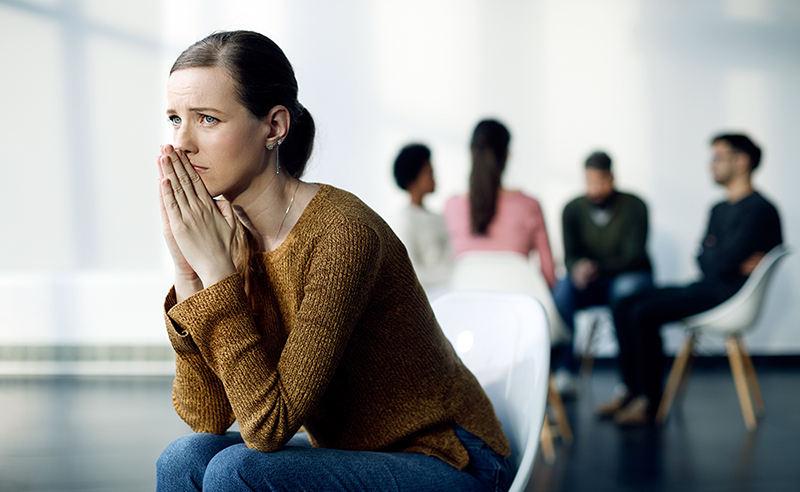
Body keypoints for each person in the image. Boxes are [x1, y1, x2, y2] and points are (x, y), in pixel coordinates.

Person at [154, 31, 512, 491]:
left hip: (452, 457)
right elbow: (208, 415)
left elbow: (268, 428)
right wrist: (189, 272)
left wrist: (217, 276)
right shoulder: (231, 236)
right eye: (174, 119)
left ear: (275, 127)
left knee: (235, 470)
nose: (181, 143)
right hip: (357, 452)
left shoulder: (343, 233)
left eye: (207, 119)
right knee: (184, 458)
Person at [598, 133, 783, 426]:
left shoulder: (761, 210)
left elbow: (717, 262)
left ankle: (648, 401)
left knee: (642, 311)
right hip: (709, 285)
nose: (711, 165)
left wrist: (716, 254)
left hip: (730, 296)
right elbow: (706, 259)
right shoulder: (718, 208)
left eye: (718, 158)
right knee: (624, 302)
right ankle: (630, 391)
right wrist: (721, 257)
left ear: (742, 161)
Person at [551, 151, 653, 395]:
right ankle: (564, 371)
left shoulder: (635, 206)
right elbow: (570, 255)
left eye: (600, 182)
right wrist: (577, 268)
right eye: (589, 182)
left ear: (612, 178)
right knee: (563, 289)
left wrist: (595, 267)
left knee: (625, 291)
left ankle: (629, 380)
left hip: (630, 277)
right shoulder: (572, 209)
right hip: (592, 283)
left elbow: (633, 256)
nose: (595, 189)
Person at [444, 120, 557, 289]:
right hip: (519, 310)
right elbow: (549, 275)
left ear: (471, 153)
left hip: (465, 311)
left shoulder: (451, 207)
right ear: (506, 154)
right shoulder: (529, 206)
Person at [392, 143, 452, 298]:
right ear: (413, 178)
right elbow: (411, 271)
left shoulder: (440, 217)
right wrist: (453, 276)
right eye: (429, 172)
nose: (434, 177)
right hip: (429, 298)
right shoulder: (405, 220)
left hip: (451, 291)